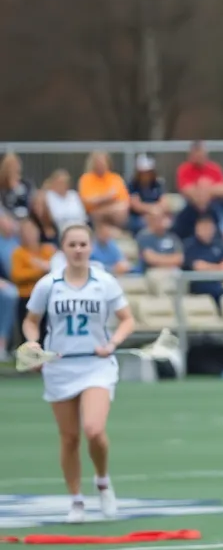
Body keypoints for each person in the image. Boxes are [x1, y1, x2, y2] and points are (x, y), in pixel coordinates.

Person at [20, 223, 136, 523]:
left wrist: (112, 343)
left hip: (96, 365)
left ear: (90, 247)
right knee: (69, 438)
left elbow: (127, 320)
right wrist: (33, 343)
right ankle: (76, 501)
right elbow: (31, 321)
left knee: (94, 430)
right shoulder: (49, 284)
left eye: (83, 244)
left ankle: (103, 481)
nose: (78, 250)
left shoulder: (104, 282)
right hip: (59, 367)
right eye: (72, 244)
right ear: (63, 248)